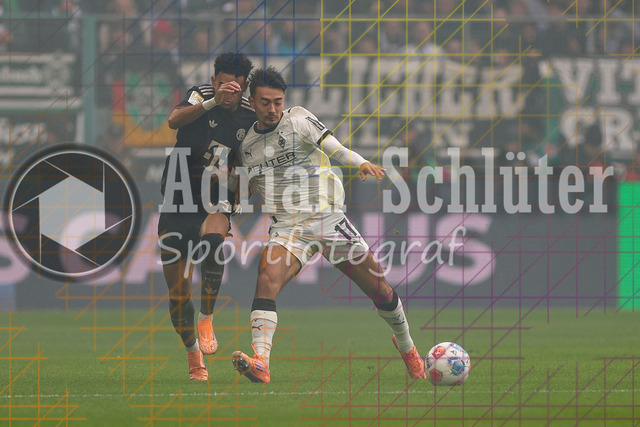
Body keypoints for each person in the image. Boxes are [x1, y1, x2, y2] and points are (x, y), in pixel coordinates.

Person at [231, 67, 426, 383]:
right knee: (266, 277)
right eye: (265, 102)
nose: (272, 109)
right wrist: (230, 196)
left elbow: (334, 148)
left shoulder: (299, 120)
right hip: (287, 229)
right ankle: (261, 362)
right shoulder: (246, 146)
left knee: (380, 290)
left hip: (328, 219)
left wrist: (361, 162)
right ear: (252, 101)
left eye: (278, 102)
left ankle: (408, 348)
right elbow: (246, 188)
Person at [158, 52, 255, 381]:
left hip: (216, 199)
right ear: (214, 81)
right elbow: (174, 120)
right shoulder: (201, 95)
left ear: (245, 87)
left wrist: (236, 183)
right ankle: (193, 357)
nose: (229, 93)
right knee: (178, 294)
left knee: (214, 241)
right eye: (223, 85)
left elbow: (250, 169)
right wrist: (213, 101)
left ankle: (207, 318)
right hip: (178, 198)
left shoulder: (250, 116)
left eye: (235, 88)